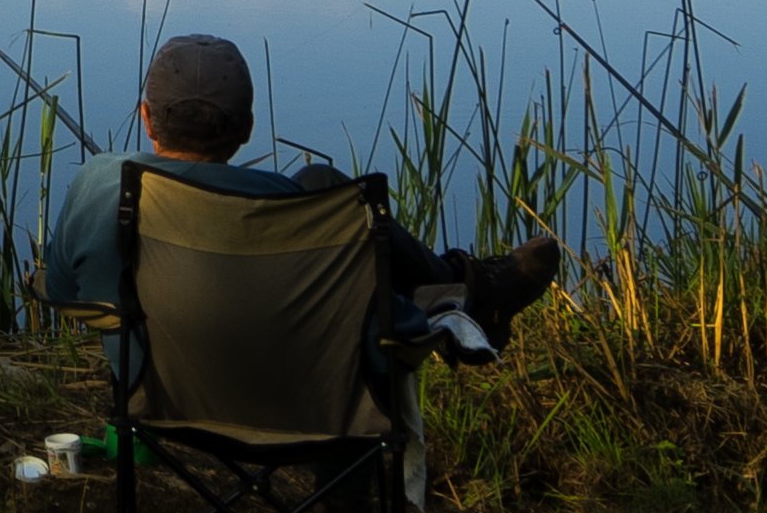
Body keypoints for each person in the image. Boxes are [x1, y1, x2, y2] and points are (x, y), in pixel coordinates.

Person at [42, 33, 564, 354]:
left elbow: (63, 293)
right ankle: (469, 289)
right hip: (308, 402)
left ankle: (470, 287)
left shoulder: (97, 183)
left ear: (146, 119)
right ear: (247, 128)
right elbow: (397, 323)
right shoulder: (305, 210)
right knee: (326, 186)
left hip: (156, 400)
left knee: (323, 188)